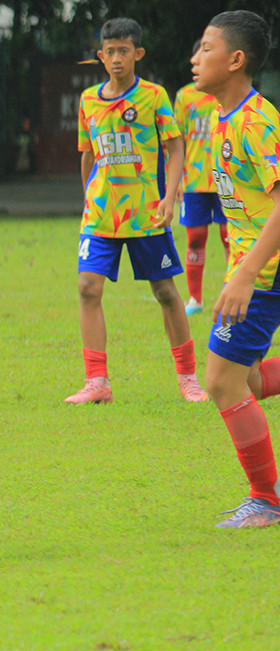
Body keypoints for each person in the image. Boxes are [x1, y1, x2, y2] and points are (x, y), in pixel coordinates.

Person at [66, 17, 207, 405]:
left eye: (123, 51)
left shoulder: (153, 96)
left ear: (137, 54)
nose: (116, 58)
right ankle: (97, 382)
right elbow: (87, 155)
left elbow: (174, 147)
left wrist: (170, 196)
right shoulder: (88, 100)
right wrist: (88, 198)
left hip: (147, 214)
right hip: (101, 215)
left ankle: (188, 378)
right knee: (87, 287)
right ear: (100, 56)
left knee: (165, 292)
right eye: (110, 51)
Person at [192, 11, 280, 527]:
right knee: (244, 378)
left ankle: (266, 500)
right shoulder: (223, 117)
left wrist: (246, 275)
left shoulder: (256, 121)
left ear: (235, 60)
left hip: (266, 269)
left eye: (206, 48)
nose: (195, 58)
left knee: (222, 381)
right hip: (253, 266)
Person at [174, 42, 229, 317]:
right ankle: (195, 298)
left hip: (226, 178)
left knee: (230, 236)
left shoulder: (229, 93)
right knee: (196, 236)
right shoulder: (185, 97)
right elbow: (176, 141)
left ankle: (231, 292)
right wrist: (175, 180)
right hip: (194, 179)